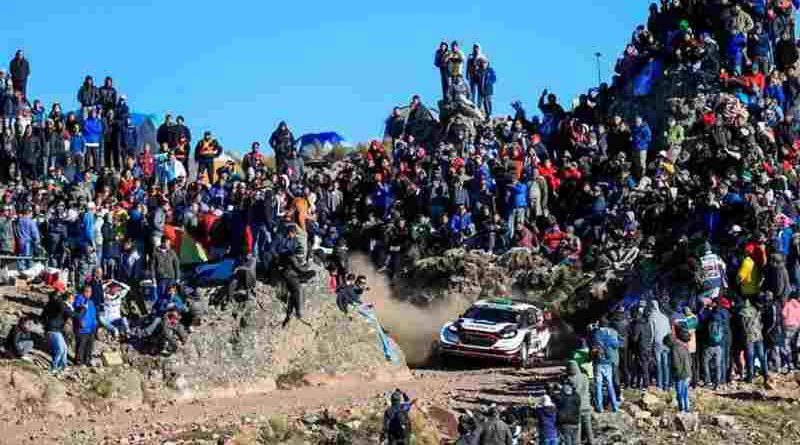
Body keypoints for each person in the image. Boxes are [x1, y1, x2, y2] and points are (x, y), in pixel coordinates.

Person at [591, 318, 620, 412]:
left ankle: (600, 407)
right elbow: (616, 345)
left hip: (598, 362)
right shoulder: (608, 335)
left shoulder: (595, 334)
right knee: (609, 384)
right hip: (607, 362)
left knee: (598, 385)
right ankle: (615, 406)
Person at [42, 292, 74, 374]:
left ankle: (63, 366)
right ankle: (54, 367)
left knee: (64, 349)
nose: (73, 299)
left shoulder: (60, 305)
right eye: (72, 298)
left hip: (57, 330)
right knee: (59, 349)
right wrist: (83, 309)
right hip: (53, 330)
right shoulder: (61, 305)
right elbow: (74, 315)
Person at [566, 360, 593, 445]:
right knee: (588, 427)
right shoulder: (585, 376)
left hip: (576, 408)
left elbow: (568, 393)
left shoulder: (570, 379)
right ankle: (591, 441)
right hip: (587, 406)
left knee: (577, 429)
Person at [648, 300, 671, 391]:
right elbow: (669, 331)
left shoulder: (651, 317)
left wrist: (650, 344)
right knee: (665, 364)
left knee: (659, 365)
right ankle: (667, 385)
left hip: (657, 342)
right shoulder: (665, 317)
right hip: (666, 343)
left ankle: (660, 385)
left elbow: (652, 333)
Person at [72, 285, 98, 366]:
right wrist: (80, 322)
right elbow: (77, 310)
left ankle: (87, 361)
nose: (89, 293)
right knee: (81, 346)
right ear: (83, 291)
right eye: (87, 291)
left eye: (90, 292)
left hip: (91, 328)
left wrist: (95, 323)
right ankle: (79, 362)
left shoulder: (91, 302)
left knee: (89, 346)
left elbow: (93, 314)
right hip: (82, 328)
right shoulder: (79, 299)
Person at [668, 326, 692, 412]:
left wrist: (676, 374)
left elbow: (676, 363)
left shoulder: (674, 349)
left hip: (680, 375)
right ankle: (687, 408)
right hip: (688, 373)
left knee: (679, 393)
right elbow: (690, 360)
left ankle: (681, 409)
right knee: (685, 393)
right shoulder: (683, 346)